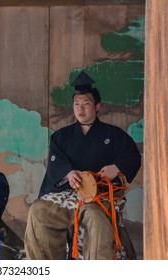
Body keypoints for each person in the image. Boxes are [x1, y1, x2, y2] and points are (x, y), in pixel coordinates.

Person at [24, 71, 141, 260]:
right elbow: (56, 164)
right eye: (76, 104)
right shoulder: (61, 136)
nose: (80, 109)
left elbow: (132, 156)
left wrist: (116, 168)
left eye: (86, 104)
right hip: (66, 195)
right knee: (38, 211)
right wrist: (68, 173)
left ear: (97, 107)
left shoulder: (114, 135)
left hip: (96, 197)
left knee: (97, 220)